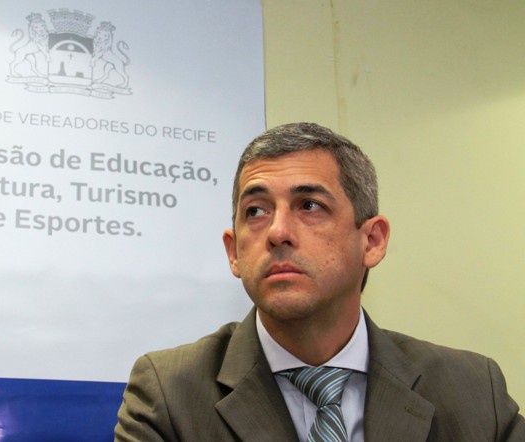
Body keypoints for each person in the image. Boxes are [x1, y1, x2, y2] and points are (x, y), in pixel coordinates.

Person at [114, 122, 524, 441]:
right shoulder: (170, 394)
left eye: (309, 205)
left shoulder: (472, 391)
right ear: (234, 251)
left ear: (372, 241)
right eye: (256, 211)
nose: (277, 232)